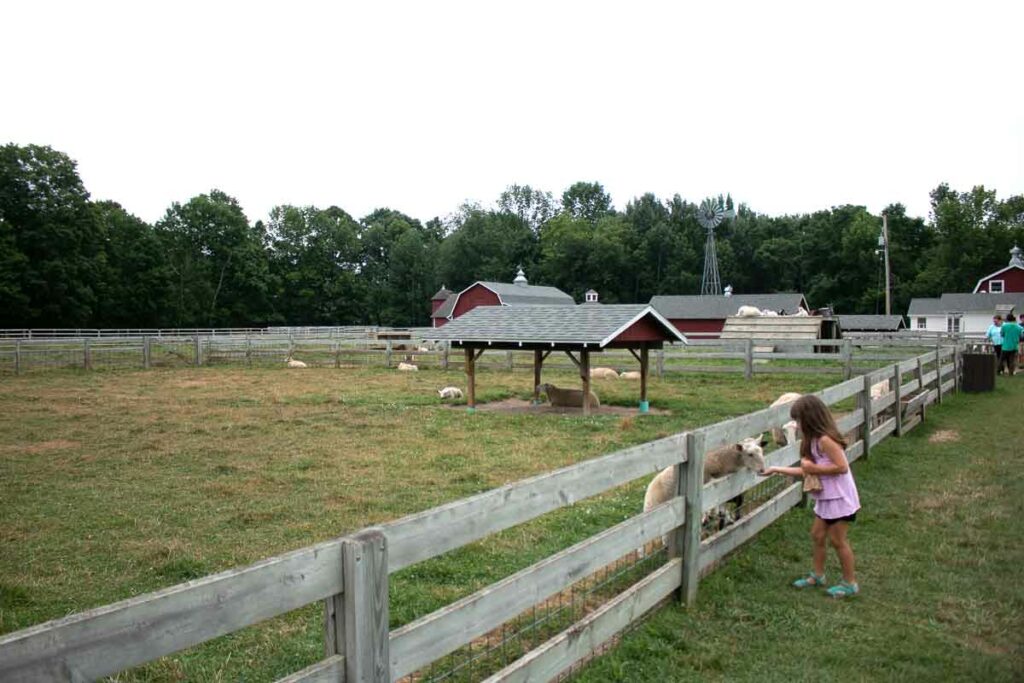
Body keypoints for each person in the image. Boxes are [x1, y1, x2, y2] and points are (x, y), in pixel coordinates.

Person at [761, 394, 861, 598]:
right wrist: (776, 469)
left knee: (838, 540)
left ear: (810, 418)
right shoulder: (812, 441)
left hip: (840, 499)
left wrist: (813, 467)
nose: (796, 425)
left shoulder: (826, 440)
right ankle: (817, 575)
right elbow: (808, 472)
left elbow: (842, 467)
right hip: (826, 498)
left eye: (798, 420)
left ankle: (850, 583)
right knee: (817, 535)